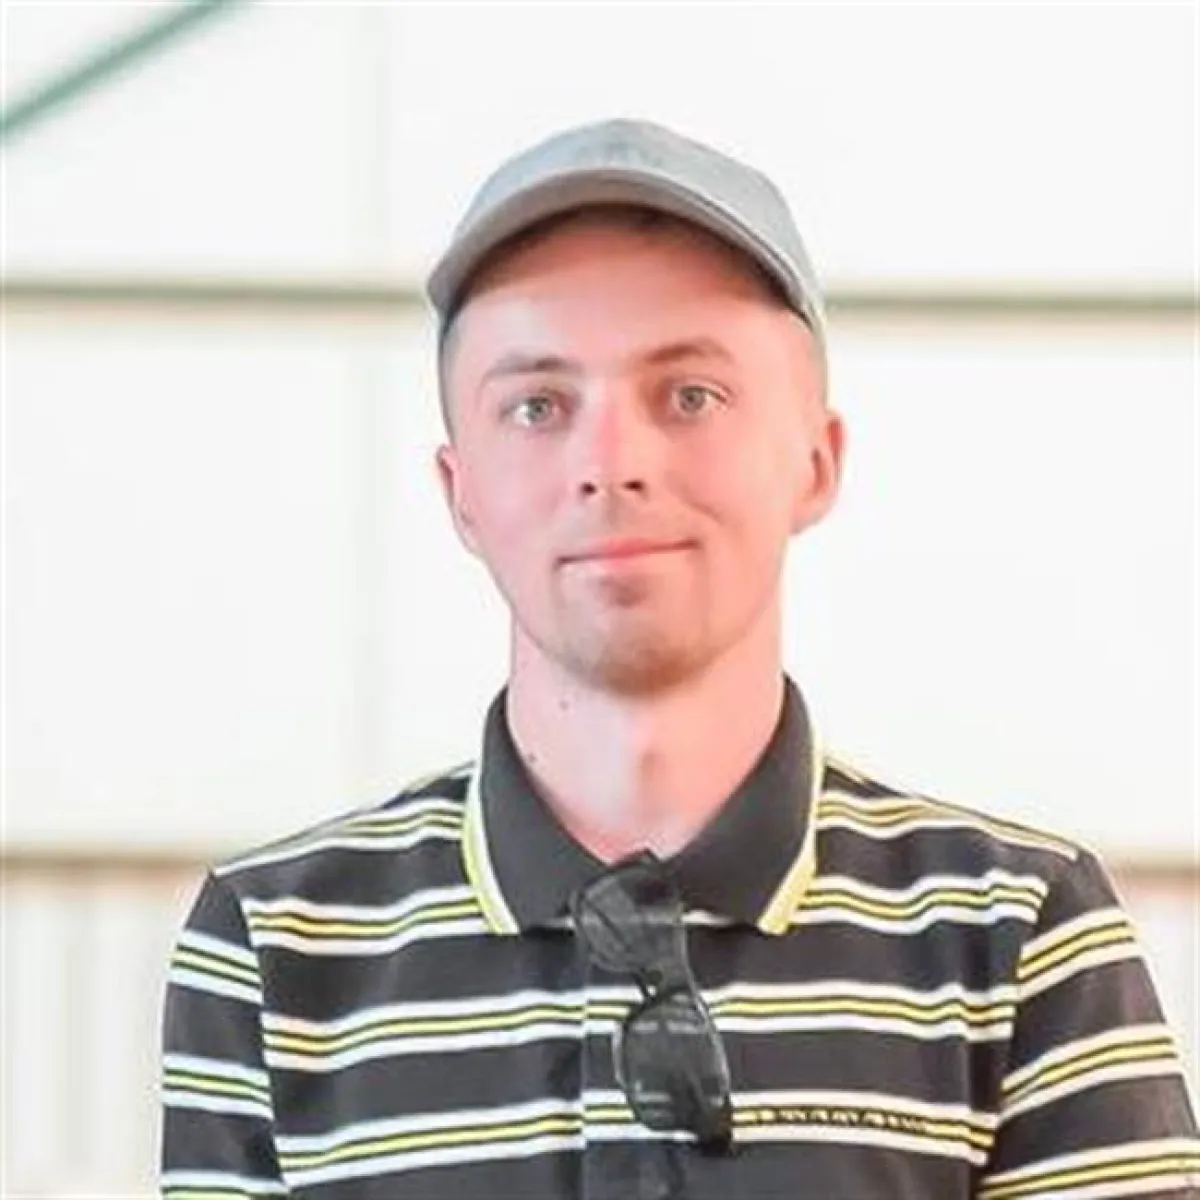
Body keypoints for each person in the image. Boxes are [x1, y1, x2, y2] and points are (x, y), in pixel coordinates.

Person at [159, 118, 1200, 1199]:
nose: (611, 464)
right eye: (537, 406)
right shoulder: (273, 949)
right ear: (460, 492)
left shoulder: (1016, 932)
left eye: (690, 395)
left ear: (816, 462)